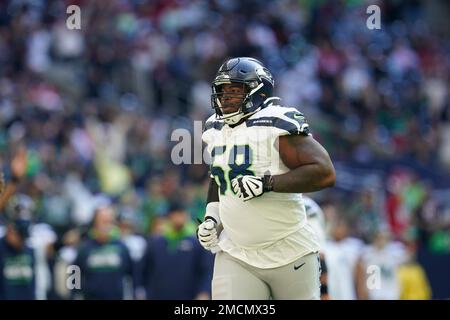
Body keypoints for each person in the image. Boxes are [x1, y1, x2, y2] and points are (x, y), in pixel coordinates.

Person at [197, 57, 336, 300]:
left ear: (258, 92)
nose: (225, 97)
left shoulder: (275, 122)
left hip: (290, 251)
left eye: (234, 90)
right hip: (236, 253)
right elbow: (220, 176)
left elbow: (324, 172)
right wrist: (212, 216)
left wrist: (267, 183)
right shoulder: (214, 128)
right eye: (222, 91)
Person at [140, 202, 213, 300]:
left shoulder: (197, 242)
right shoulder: (156, 242)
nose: (179, 217)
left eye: (182, 214)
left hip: (188, 296)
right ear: (170, 216)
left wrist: (204, 292)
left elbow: (206, 270)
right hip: (159, 294)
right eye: (176, 214)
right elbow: (145, 271)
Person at [73, 204, 134, 299]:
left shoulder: (121, 248)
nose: (106, 225)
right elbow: (73, 271)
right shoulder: (85, 248)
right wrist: (75, 295)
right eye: (102, 221)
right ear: (95, 223)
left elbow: (131, 275)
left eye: (109, 221)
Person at [0, 195, 36, 300]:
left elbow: (33, 283)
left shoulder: (29, 250)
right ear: (11, 230)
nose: (22, 242)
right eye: (20, 237)